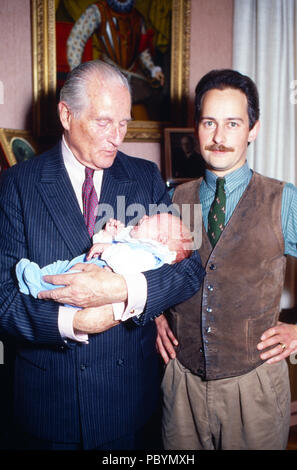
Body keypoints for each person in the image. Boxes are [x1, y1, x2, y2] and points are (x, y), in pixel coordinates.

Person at [0, 59, 204, 450]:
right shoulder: (17, 186)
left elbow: (189, 268)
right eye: (104, 122)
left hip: (127, 405)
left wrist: (121, 289)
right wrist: (73, 321)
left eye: (124, 124)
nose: (117, 137)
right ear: (66, 114)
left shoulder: (144, 178)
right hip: (48, 409)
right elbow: (3, 298)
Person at [156, 68, 297, 450]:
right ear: (196, 128)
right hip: (182, 382)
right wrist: (155, 318)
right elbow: (150, 268)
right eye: (209, 123)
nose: (219, 138)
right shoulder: (174, 199)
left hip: (254, 388)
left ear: (253, 129)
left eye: (233, 124)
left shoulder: (283, 199)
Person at [16, 213, 194, 304]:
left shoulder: (150, 256)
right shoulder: (136, 241)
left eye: (152, 219)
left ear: (161, 239)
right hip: (86, 263)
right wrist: (107, 236)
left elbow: (125, 264)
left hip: (89, 282)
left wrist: (108, 248)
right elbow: (97, 249)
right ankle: (35, 277)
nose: (145, 216)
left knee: (64, 281)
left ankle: (35, 284)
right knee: (60, 267)